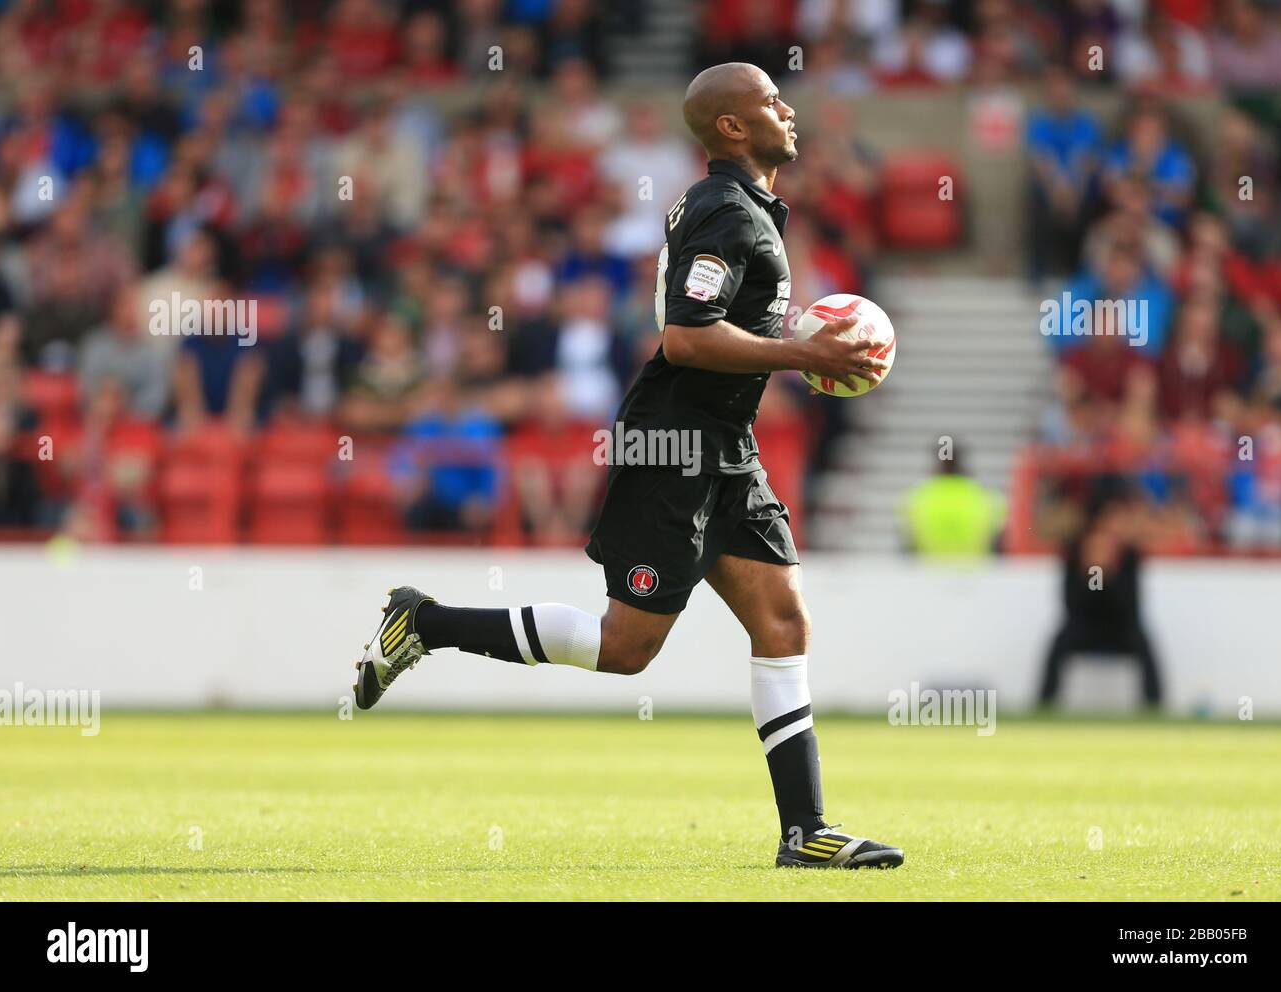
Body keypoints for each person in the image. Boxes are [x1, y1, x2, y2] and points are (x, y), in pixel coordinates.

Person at [351, 62, 903, 870]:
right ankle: (423, 622)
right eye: (769, 102)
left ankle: (804, 831)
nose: (789, 109)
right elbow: (686, 334)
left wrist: (791, 357)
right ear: (732, 128)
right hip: (673, 443)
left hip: (723, 443)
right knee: (627, 647)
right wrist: (802, 352)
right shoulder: (726, 211)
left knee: (783, 620)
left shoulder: (738, 206)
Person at [1038, 494, 1163, 709]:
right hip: (1084, 628)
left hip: (1121, 629)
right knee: (1060, 641)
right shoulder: (1076, 553)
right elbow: (1072, 605)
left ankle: (1154, 706)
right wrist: (1093, 574)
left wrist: (1107, 573)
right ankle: (1045, 704)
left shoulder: (1128, 557)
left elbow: (1130, 608)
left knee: (1143, 641)